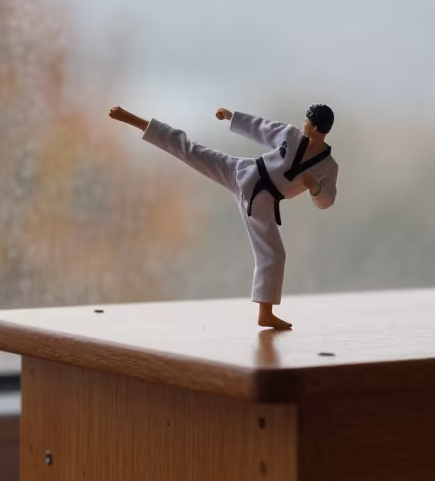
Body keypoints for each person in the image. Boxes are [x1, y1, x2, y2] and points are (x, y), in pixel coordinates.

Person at [109, 103, 338, 329]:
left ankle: (265, 313)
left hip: (261, 200)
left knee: (274, 255)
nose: (303, 123)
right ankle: (136, 121)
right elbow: (262, 128)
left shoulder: (327, 167)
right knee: (191, 150)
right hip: (243, 170)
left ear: (317, 128)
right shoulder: (291, 135)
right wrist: (232, 118)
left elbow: (326, 201)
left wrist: (315, 187)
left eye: (308, 121)